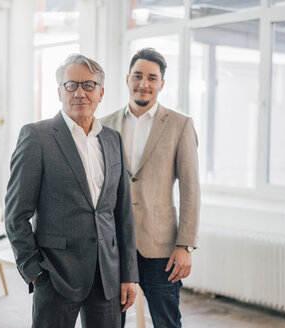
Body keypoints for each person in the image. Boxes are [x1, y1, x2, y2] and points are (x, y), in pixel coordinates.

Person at [5, 53, 138, 328]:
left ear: (101, 93)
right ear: (59, 92)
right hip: (55, 276)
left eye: (88, 85)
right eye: (71, 85)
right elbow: (16, 215)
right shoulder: (36, 137)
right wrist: (35, 273)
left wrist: (128, 275)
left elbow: (122, 214)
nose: (80, 93)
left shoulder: (113, 140)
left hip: (107, 278)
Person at [100, 48, 200, 328]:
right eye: (138, 76)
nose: (144, 83)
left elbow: (191, 189)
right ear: (127, 79)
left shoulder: (181, 125)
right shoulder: (104, 124)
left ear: (161, 84)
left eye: (152, 78)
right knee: (109, 321)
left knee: (167, 321)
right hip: (114, 244)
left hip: (161, 248)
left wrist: (185, 245)